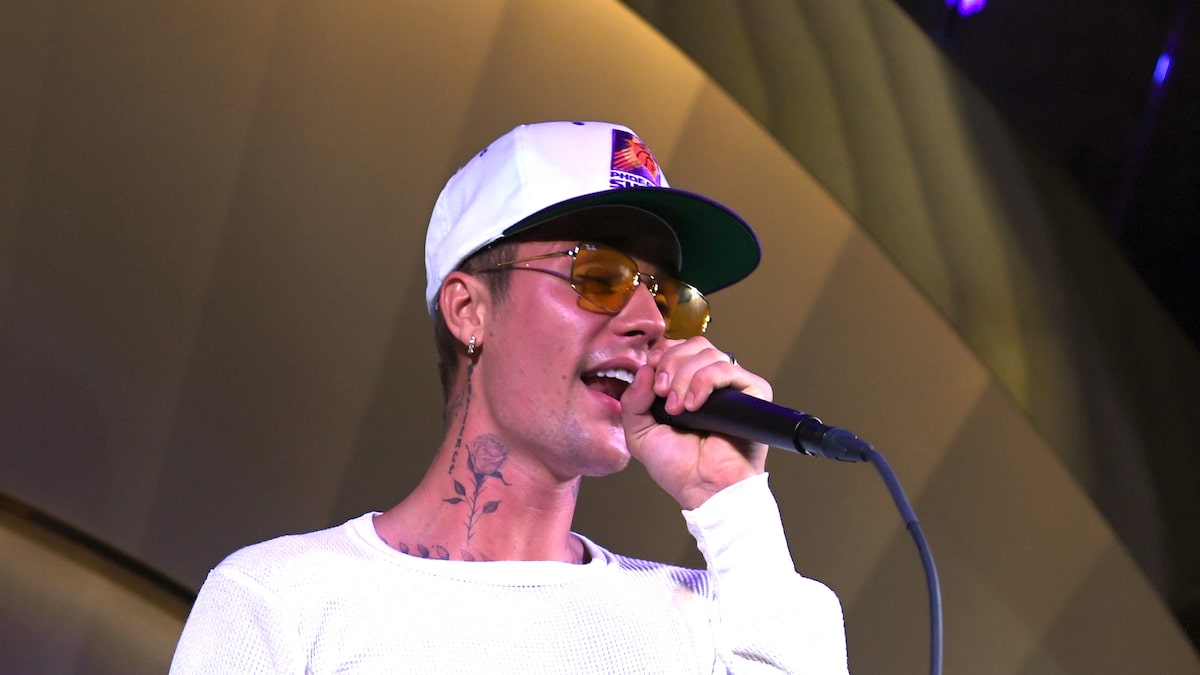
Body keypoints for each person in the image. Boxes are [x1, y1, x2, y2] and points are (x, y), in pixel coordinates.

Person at [169, 120, 849, 674]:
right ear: (469, 310)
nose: (648, 321)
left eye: (666, 297)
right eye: (599, 275)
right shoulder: (283, 600)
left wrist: (731, 503)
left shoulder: (710, 622)